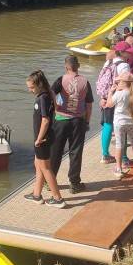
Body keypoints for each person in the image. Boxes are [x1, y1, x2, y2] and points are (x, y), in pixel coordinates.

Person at [50, 55, 93, 194]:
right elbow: (89, 105)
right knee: (75, 152)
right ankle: (74, 184)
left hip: (61, 120)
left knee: (56, 151)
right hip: (78, 121)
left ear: (66, 66)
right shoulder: (85, 82)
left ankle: (49, 181)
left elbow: (49, 95)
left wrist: (56, 107)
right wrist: (87, 121)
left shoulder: (61, 80)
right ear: (78, 66)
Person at [24, 71, 66, 208]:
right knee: (38, 164)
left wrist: (39, 139)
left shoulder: (42, 98)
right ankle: (37, 195)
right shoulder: (48, 95)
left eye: (31, 87)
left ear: (39, 85)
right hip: (45, 137)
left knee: (46, 168)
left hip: (42, 139)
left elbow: (45, 120)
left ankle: (58, 198)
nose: (29, 90)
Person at [107, 71, 133, 177]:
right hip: (132, 122)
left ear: (124, 82)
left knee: (119, 145)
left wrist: (110, 92)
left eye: (119, 81)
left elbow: (109, 104)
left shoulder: (119, 93)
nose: (118, 83)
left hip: (119, 123)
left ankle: (118, 168)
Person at [96, 49, 119, 164]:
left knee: (106, 124)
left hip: (104, 98)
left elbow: (100, 83)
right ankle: (105, 155)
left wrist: (102, 98)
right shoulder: (116, 66)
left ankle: (105, 153)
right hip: (112, 98)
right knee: (109, 125)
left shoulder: (106, 66)